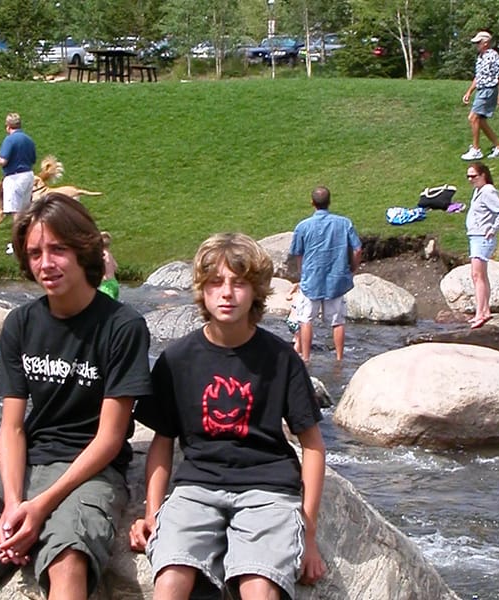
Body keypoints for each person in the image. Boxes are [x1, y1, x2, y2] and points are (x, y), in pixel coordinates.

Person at [0, 192, 153, 600]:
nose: (46, 263)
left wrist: (40, 506)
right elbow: (11, 427)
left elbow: (110, 438)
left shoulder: (122, 327)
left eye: (58, 249)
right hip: (27, 465)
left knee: (67, 556)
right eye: (35, 252)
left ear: (84, 249)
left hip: (92, 472)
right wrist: (12, 503)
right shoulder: (21, 324)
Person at [129, 232, 327, 600]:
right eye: (216, 282)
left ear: (256, 292)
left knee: (259, 586)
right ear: (202, 290)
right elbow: (162, 440)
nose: (226, 293)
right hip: (196, 489)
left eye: (239, 284)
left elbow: (313, 446)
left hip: (268, 491)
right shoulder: (177, 360)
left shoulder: (282, 359)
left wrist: (309, 532)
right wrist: (153, 512)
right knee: (171, 579)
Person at [289, 186, 362, 363]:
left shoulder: (303, 226)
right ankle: (339, 359)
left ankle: (305, 358)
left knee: (306, 319)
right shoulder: (344, 223)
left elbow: (297, 253)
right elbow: (358, 249)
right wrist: (352, 268)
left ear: (312, 203)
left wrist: (302, 273)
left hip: (311, 279)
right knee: (337, 321)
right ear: (329, 202)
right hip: (336, 279)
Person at [465, 162, 499, 329]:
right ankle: (485, 310)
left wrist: (493, 228)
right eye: (468, 176)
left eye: (473, 176)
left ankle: (480, 314)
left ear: (483, 175)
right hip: (475, 236)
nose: (470, 179)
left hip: (481, 237)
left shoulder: (488, 191)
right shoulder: (478, 191)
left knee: (477, 275)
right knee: (480, 275)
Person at [461, 31, 499, 161]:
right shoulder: (480, 57)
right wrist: (469, 92)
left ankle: (476, 150)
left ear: (486, 43)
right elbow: (479, 77)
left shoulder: (493, 56)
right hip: (481, 90)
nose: (476, 45)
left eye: (478, 42)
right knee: (480, 120)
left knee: (473, 117)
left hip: (489, 90)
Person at [0, 112, 36, 255]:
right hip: (28, 176)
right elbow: (33, 159)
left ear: (8, 127)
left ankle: (18, 245)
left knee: (16, 213)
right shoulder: (28, 140)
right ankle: (28, 240)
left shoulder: (10, 140)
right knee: (25, 211)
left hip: (14, 178)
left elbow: (4, 160)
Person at [97, 231, 119, 300]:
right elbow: (116, 267)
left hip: (107, 284)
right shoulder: (109, 254)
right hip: (114, 282)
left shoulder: (102, 255)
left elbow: (105, 262)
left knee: (105, 305)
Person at [284, 281, 303, 355]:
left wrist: (292, 291)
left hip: (290, 321)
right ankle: (296, 354)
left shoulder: (294, 296)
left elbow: (287, 297)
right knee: (299, 340)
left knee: (296, 338)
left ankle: (295, 345)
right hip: (297, 323)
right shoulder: (303, 299)